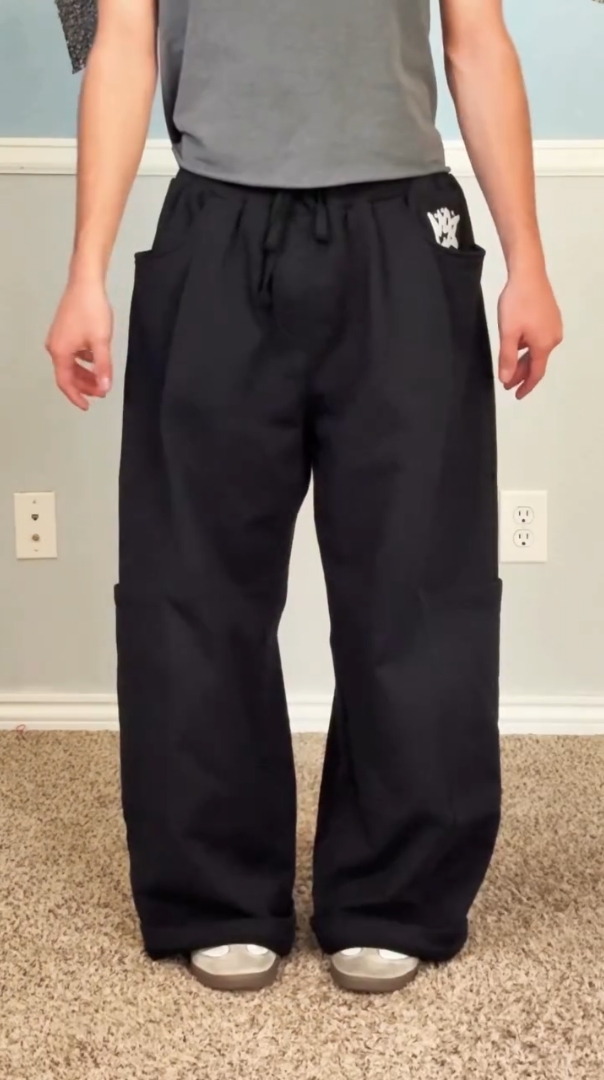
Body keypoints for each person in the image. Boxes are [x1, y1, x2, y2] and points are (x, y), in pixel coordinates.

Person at [46, 0, 562, 994]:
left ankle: (395, 893)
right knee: (191, 584)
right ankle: (215, 892)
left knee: (417, 579)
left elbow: (476, 41)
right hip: (216, 222)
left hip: (402, 226)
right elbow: (122, 46)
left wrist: (527, 262)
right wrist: (84, 273)